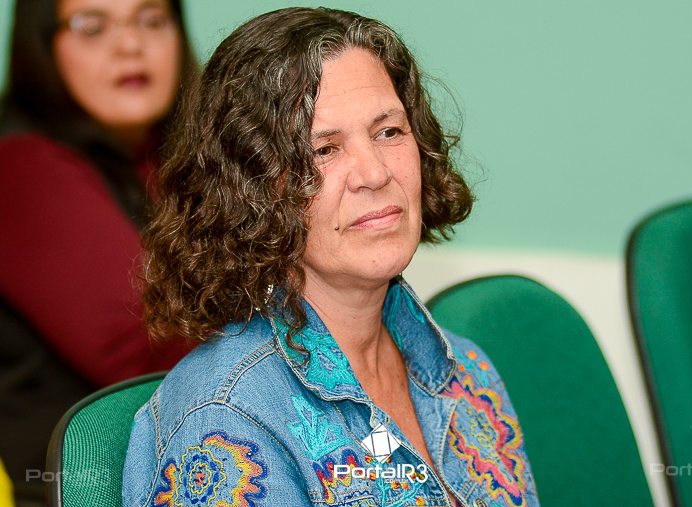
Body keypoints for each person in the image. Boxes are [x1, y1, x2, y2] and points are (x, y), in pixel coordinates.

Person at [123, 7, 540, 507]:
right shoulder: (226, 421)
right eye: (324, 149)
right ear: (250, 189)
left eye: (389, 132)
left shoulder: (467, 371)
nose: (375, 173)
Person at [0, 0, 196, 502]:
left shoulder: (164, 158)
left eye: (151, 20)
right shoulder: (21, 169)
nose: (130, 44)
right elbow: (153, 339)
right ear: (42, 46)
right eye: (92, 26)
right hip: (84, 488)